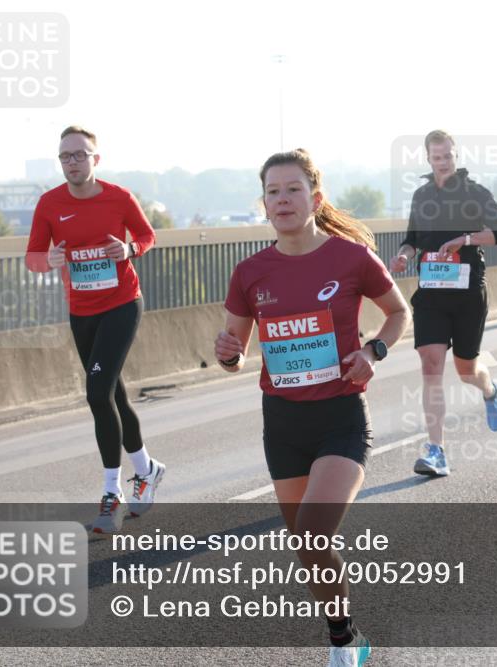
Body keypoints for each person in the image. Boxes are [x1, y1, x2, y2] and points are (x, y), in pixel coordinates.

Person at [216, 148, 409, 666]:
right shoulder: (251, 272)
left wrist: (374, 351)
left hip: (340, 419)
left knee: (312, 531)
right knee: (307, 550)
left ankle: (344, 647)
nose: (283, 200)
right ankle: (344, 628)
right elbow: (232, 350)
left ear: (315, 197)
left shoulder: (349, 257)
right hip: (282, 423)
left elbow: (397, 312)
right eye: (273, 192)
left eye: (293, 189)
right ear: (263, 204)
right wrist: (228, 355)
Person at [25, 126, 165, 534]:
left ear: (95, 159)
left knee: (97, 392)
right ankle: (147, 470)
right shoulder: (50, 204)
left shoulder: (118, 197)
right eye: (65, 156)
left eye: (80, 154)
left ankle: (112, 492)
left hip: (122, 304)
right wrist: (47, 259)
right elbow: (32, 257)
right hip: (81, 310)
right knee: (113, 394)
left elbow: (147, 235)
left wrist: (129, 249)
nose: (72, 162)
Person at [389, 130, 497, 478]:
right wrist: (402, 256)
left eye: (447, 156)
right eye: (436, 157)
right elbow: (412, 240)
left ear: (455, 156)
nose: (442, 162)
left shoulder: (475, 193)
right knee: (431, 365)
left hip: (468, 294)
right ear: (428, 159)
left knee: (466, 371)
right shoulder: (421, 196)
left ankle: (489, 390)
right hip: (430, 294)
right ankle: (436, 450)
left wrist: (466, 239)